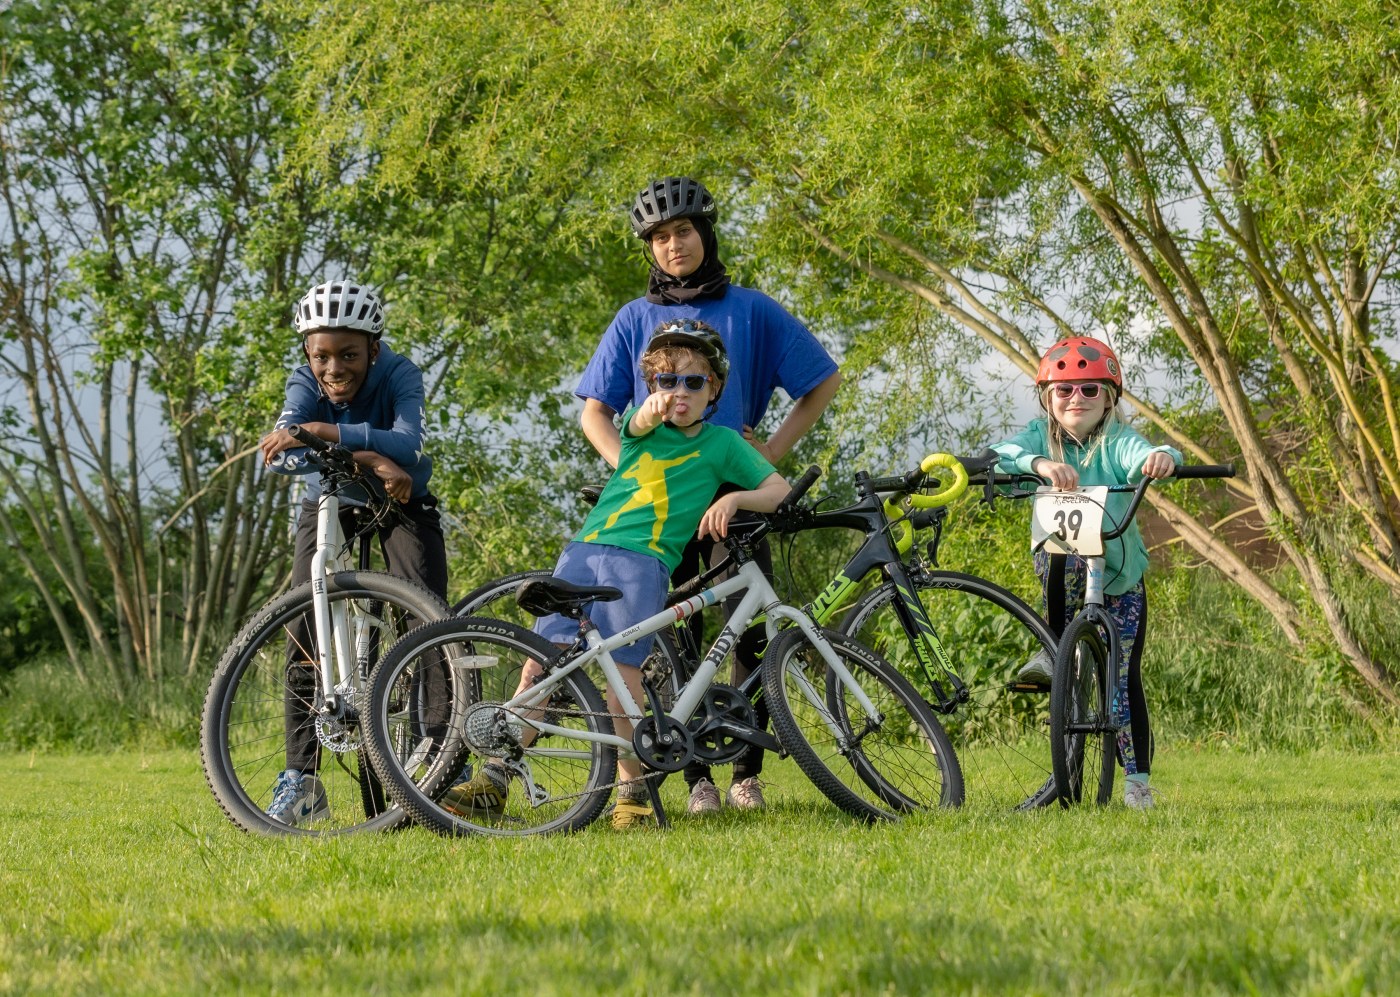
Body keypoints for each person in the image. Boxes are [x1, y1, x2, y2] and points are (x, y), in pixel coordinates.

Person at [441, 322, 789, 828]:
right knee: (540, 669)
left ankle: (632, 792)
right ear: (652, 388)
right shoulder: (639, 425)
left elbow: (778, 489)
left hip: (643, 562)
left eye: (695, 383)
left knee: (621, 684)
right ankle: (494, 777)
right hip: (583, 552)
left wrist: (735, 497)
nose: (679, 394)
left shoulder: (724, 444)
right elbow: (638, 423)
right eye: (667, 382)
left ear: (715, 388)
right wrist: (648, 409)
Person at [575, 177, 842, 815]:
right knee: (674, 633)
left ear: (707, 234)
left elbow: (822, 382)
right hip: (658, 511)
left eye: (684, 232)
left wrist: (768, 458)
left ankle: (744, 773)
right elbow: (594, 412)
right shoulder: (633, 319)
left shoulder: (751, 309)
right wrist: (635, 468)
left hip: (730, 492)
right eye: (660, 238)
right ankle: (696, 779)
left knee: (743, 628)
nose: (674, 246)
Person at [258, 279, 449, 826]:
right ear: (306, 354)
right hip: (332, 499)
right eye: (320, 356)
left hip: (402, 497)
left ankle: (439, 756)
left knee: (425, 619)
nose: (333, 368)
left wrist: (322, 431)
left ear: (373, 348)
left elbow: (409, 444)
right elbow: (282, 448)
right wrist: (370, 454)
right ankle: (301, 776)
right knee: (305, 628)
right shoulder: (303, 379)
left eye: (348, 354)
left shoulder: (400, 373)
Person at [990, 337, 1181, 810]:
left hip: (1118, 577)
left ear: (1111, 397)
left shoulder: (1115, 440)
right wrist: (1039, 464)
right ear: (1047, 399)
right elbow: (1000, 453)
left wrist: (1160, 459)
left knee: (1122, 681)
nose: (1076, 399)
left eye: (1090, 390)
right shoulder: (1041, 436)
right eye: (1064, 391)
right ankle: (1052, 648)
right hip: (1065, 570)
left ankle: (1138, 784)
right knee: (1061, 552)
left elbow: (1145, 451)